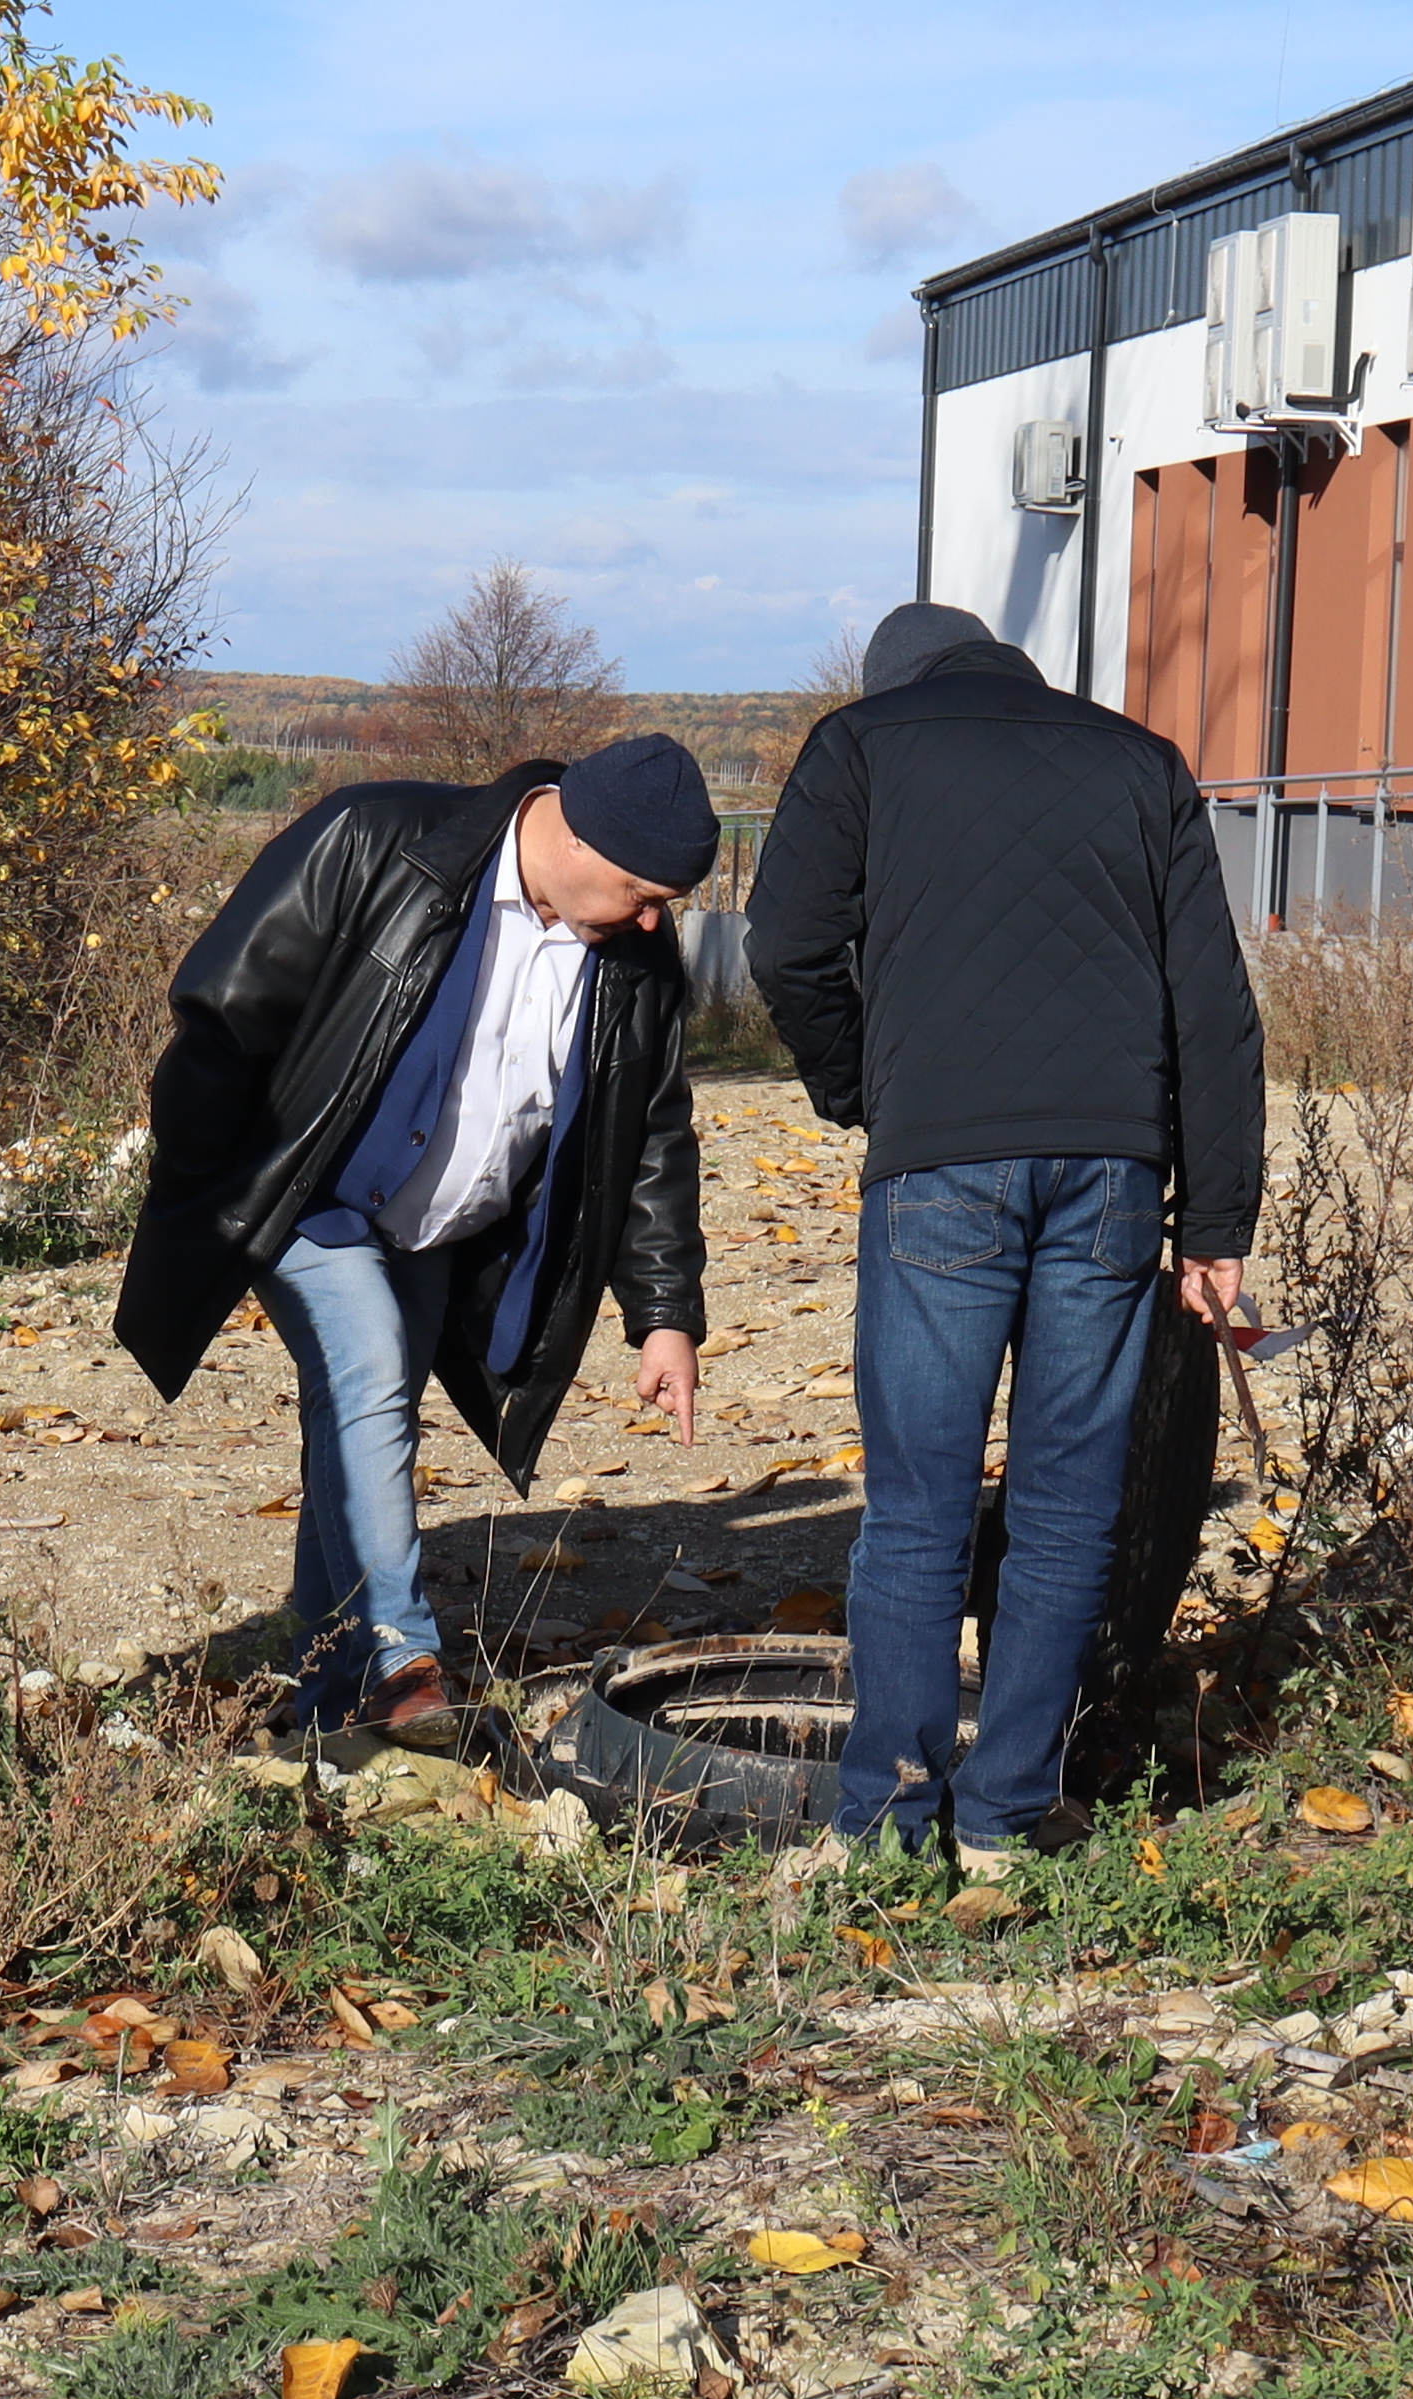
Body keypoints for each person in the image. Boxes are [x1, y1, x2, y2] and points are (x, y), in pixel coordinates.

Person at [755, 598, 1264, 1864]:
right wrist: (1214, 1219)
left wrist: (862, 1088)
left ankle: (884, 1821)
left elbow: (785, 945)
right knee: (1065, 1509)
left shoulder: (861, 747)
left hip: (941, 1170)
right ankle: (1009, 1813)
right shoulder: (1140, 761)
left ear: (894, 681)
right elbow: (1214, 1005)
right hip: (1112, 1177)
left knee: (919, 1505)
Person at [116, 736, 716, 1745]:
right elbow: (225, 1010)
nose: (653, 919)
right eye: (639, 891)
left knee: (356, 1427)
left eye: (666, 901)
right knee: (372, 1373)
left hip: (443, 1229)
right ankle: (401, 1661)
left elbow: (651, 1133)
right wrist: (215, 1185)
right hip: (311, 1198)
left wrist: (664, 1317)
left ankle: (331, 1710)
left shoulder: (637, 959)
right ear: (569, 832)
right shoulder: (375, 841)